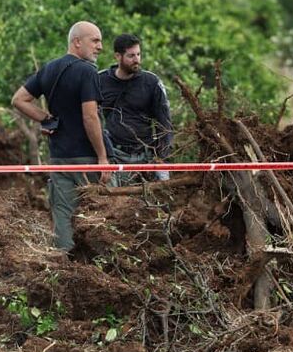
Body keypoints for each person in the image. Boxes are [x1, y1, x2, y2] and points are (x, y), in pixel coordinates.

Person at [12, 21, 111, 252]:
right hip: (87, 159)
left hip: (59, 158)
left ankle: (65, 267)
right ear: (77, 42)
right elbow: (90, 117)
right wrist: (103, 158)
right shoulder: (87, 71)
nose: (101, 47)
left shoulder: (49, 69)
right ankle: (100, 268)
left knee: (63, 215)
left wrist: (45, 119)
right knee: (100, 213)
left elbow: (19, 99)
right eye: (95, 40)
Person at [98, 34, 173, 186]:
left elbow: (164, 123)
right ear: (118, 56)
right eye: (131, 56)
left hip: (145, 154)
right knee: (111, 202)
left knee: (161, 200)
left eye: (138, 54)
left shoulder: (151, 82)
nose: (137, 59)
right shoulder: (100, 80)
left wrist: (161, 157)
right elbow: (90, 117)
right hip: (113, 154)